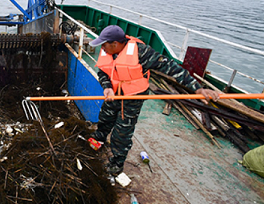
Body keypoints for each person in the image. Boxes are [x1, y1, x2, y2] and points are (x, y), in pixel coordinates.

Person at [89, 25, 219, 176]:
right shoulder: (107, 52)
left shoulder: (142, 52)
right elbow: (103, 72)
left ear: (115, 44)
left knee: (122, 132)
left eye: (104, 45)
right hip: (113, 94)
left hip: (132, 97)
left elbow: (171, 68)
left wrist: (197, 88)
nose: (102, 48)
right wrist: (107, 87)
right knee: (105, 117)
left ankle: (117, 164)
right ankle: (99, 138)